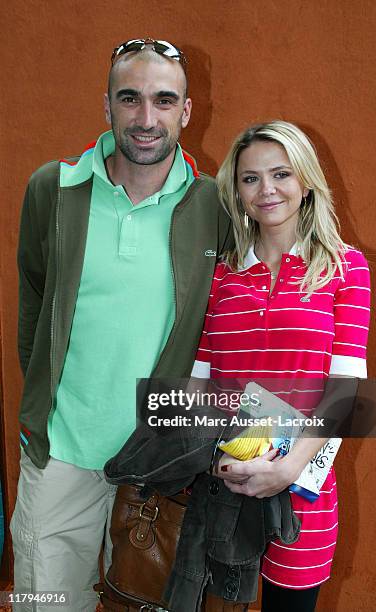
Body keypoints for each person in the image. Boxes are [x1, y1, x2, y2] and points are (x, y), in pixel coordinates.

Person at [12, 38, 232, 611]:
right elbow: (35, 303)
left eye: (164, 101)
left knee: (143, 605)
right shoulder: (53, 190)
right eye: (129, 98)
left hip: (158, 463)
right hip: (61, 455)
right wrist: (42, 409)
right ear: (107, 106)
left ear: (187, 112)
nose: (146, 117)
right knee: (47, 602)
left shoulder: (216, 205)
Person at [191, 120, 371, 611]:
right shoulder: (220, 273)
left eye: (281, 174)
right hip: (224, 480)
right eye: (250, 178)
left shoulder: (346, 266)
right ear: (236, 189)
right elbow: (199, 380)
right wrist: (219, 463)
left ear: (306, 181)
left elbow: (348, 389)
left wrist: (288, 469)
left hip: (304, 492)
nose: (266, 190)